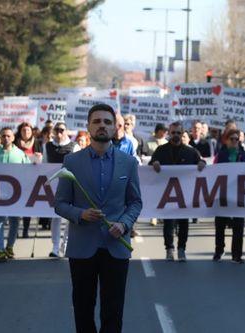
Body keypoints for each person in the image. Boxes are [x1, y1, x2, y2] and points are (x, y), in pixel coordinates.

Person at [55, 103, 142, 333]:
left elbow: (135, 202)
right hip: (83, 246)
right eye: (97, 121)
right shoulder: (72, 162)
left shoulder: (129, 162)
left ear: (115, 128)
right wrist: (80, 214)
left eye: (107, 122)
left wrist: (124, 224)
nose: (102, 126)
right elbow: (60, 203)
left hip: (116, 246)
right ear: (88, 127)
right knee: (83, 309)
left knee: (113, 312)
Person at [150, 121, 206, 262]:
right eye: (173, 132)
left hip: (185, 193)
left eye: (178, 133)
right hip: (166, 193)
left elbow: (201, 163)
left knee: (183, 222)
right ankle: (169, 249)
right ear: (169, 133)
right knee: (168, 222)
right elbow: (151, 164)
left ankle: (181, 249)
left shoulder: (191, 152)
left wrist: (201, 164)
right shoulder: (161, 150)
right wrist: (154, 164)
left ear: (183, 134)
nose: (176, 135)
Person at [0, 127, 31, 263]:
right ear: (0, 138)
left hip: (16, 195)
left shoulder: (20, 154)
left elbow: (30, 171)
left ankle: (9, 247)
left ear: (13, 138)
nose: (6, 138)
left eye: (8, 136)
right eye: (3, 136)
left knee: (14, 222)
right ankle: (0, 251)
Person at [213, 129, 245, 263]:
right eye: (232, 139)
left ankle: (237, 254)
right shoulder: (220, 155)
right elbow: (213, 171)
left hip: (239, 194)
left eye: (237, 139)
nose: (235, 142)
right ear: (226, 140)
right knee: (220, 224)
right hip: (223, 193)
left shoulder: (244, 156)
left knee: (239, 225)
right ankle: (219, 250)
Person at [45, 122, 81, 258]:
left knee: (69, 218)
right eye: (57, 130)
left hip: (70, 185)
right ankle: (55, 246)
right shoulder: (47, 146)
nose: (59, 133)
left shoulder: (74, 146)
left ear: (66, 131)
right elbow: (44, 164)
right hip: (54, 186)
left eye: (62, 130)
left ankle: (64, 245)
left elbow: (78, 165)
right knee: (55, 217)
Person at [15, 122, 43, 238]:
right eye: (23, 130)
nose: (26, 132)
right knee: (16, 205)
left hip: (31, 178)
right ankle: (14, 229)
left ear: (32, 132)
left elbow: (42, 159)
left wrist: (39, 157)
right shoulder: (15, 143)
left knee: (27, 205)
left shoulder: (36, 143)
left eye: (28, 130)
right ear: (20, 132)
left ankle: (25, 230)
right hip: (16, 177)